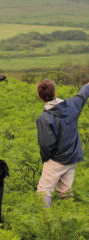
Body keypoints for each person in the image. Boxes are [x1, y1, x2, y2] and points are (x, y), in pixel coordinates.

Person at [36, 79, 89, 207]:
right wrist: (87, 85)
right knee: (65, 191)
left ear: (40, 96)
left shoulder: (44, 118)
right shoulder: (72, 105)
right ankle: (69, 219)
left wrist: (45, 158)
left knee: (43, 192)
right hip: (73, 156)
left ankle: (46, 222)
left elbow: (45, 145)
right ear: (54, 91)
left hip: (57, 160)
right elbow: (82, 95)